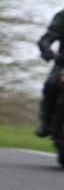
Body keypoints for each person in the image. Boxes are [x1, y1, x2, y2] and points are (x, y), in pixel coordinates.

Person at [35, 9, 64, 137]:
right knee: (51, 85)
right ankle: (46, 123)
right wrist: (46, 50)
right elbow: (47, 37)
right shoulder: (62, 16)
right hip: (63, 63)